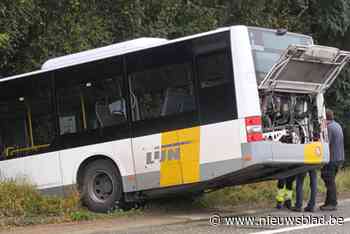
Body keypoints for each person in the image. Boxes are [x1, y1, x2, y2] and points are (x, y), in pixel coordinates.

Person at [320, 109, 345, 211]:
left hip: (332, 158)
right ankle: (328, 203)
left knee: (329, 180)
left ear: (325, 118)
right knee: (330, 180)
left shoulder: (329, 128)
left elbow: (326, 144)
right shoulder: (337, 125)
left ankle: (332, 203)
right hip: (339, 157)